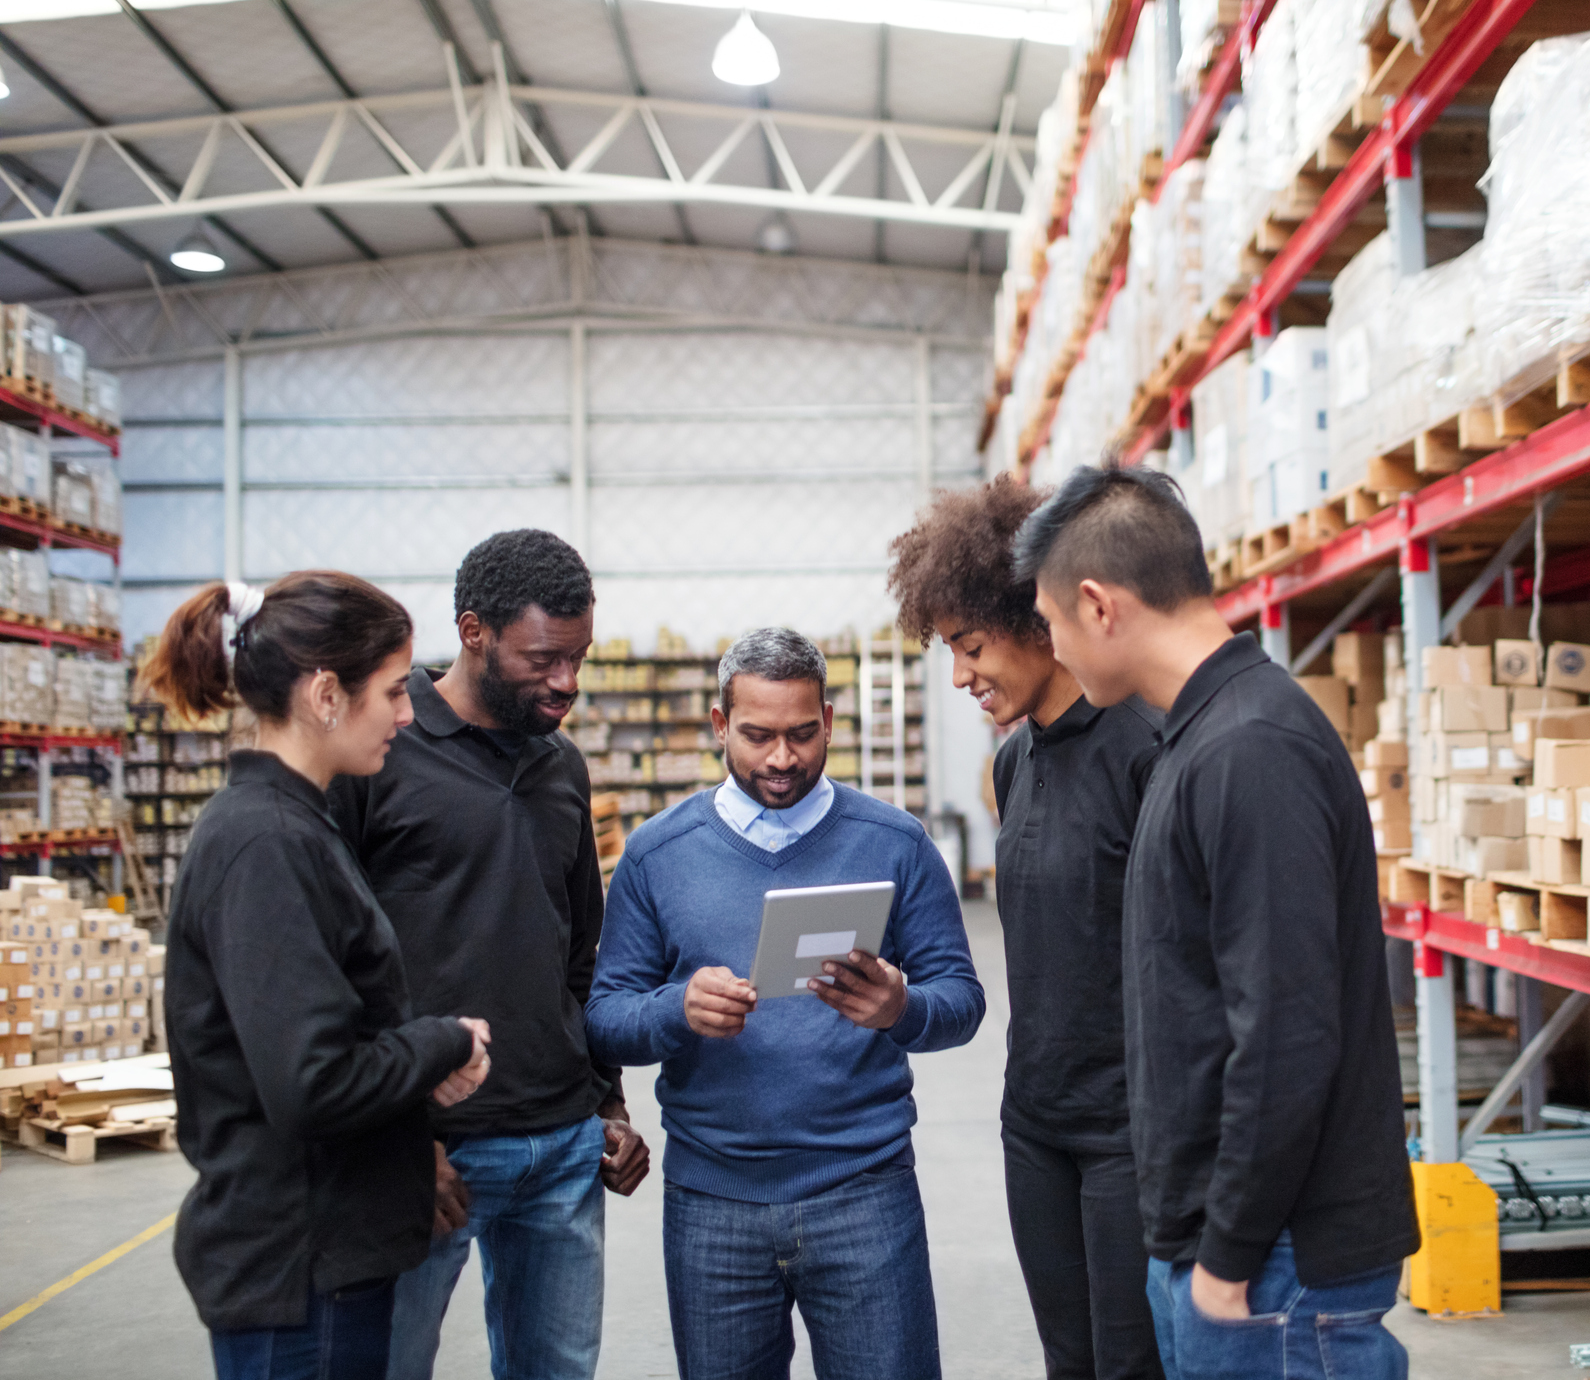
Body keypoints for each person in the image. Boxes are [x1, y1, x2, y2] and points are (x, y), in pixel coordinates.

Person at [1012, 466, 1419, 1380]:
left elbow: (1285, 1028)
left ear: (1097, 604)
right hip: (1228, 1253)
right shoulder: (1197, 738)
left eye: (1048, 623)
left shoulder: (1249, 751)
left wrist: (1227, 1257)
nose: (1053, 650)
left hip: (1273, 1270)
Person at [586, 627, 986, 1380]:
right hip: (713, 1201)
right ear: (718, 726)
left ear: (829, 721)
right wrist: (677, 1011)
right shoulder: (656, 854)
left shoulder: (894, 844)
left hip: (864, 1191)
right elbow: (606, 1018)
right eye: (757, 735)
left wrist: (901, 1007)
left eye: (802, 734)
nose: (781, 758)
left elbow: (962, 1000)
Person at [147, 573, 494, 1380]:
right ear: (324, 694)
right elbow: (311, 1079)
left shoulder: (294, 823)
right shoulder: (266, 844)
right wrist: (441, 1043)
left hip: (322, 1257)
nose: (408, 715)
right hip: (300, 1269)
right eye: (389, 693)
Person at [325, 529, 648, 1380]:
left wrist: (604, 1105)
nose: (566, 682)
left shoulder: (562, 767)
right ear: (473, 633)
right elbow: (340, 971)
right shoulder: (379, 756)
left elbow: (581, 952)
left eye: (578, 658)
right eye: (543, 659)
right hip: (429, 1152)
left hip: (561, 1149)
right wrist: (399, 1142)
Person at [887, 477, 1164, 1380]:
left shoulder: (1145, 747)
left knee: (1134, 1365)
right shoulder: (1012, 766)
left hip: (1132, 1126)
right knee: (1068, 1360)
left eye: (970, 647)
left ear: (1037, 620)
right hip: (1035, 1121)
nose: (961, 675)